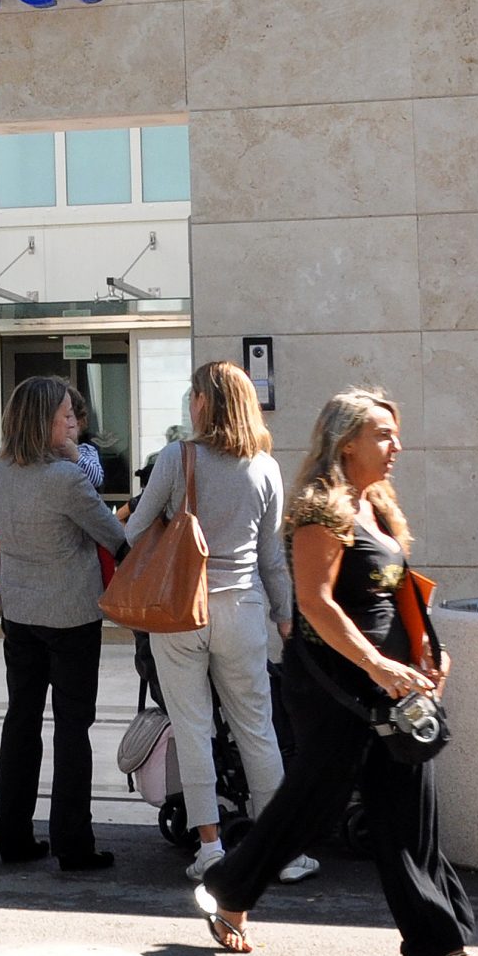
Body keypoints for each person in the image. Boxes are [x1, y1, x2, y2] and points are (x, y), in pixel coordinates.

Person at [195, 388, 478, 956]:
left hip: (390, 683)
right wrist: (379, 666)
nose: (395, 446)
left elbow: (398, 585)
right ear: (346, 441)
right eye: (383, 434)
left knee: (407, 802)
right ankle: (229, 889)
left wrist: (428, 650)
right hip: (337, 682)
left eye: (395, 433)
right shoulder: (319, 509)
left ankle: (436, 938)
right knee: (316, 800)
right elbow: (317, 603)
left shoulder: (375, 502)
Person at [126, 361, 316, 884]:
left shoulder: (176, 457)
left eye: (193, 396)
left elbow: (135, 530)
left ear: (203, 403)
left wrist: (163, 514)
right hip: (243, 609)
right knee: (257, 728)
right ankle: (280, 852)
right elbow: (273, 557)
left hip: (180, 610)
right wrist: (284, 616)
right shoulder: (265, 466)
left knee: (192, 729)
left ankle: (209, 847)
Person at [0, 374, 129, 871]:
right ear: (43, 420)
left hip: (20, 614)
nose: (73, 423)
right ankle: (73, 843)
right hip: (70, 616)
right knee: (72, 727)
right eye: (65, 415)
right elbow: (112, 535)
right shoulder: (67, 479)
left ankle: (12, 835)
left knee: (21, 720)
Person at [0, 384, 109, 624]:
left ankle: (116, 597)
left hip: (70, 543)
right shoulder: (7, 462)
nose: (70, 424)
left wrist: (74, 456)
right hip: (51, 602)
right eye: (65, 416)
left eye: (73, 416)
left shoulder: (82, 454)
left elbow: (96, 481)